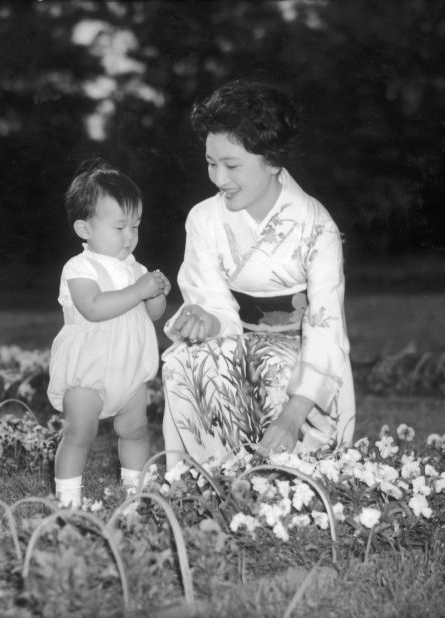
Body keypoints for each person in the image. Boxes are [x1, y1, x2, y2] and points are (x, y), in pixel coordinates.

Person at [161, 80, 356, 468]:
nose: (218, 178)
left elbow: (327, 329)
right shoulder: (204, 218)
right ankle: (209, 473)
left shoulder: (316, 226)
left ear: (272, 159)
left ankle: (284, 470)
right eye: (210, 163)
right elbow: (214, 304)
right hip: (238, 347)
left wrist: (291, 416)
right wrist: (205, 321)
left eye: (231, 165)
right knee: (184, 359)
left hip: (304, 375)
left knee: (275, 366)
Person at [48, 160, 170, 507]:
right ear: (84, 228)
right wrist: (138, 290)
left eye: (135, 225)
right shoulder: (79, 267)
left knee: (134, 430)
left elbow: (153, 314)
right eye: (119, 227)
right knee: (79, 432)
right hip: (88, 367)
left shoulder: (136, 268)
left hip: (128, 366)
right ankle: (68, 502)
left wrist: (156, 293)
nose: (130, 236)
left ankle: (137, 496)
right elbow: (94, 307)